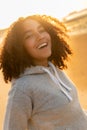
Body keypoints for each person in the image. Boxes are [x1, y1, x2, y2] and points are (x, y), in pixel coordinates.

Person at [0, 14, 87, 130]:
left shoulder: (54, 70)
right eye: (29, 36)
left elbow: (73, 114)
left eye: (41, 30)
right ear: (20, 47)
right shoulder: (22, 88)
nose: (39, 36)